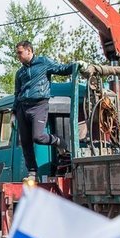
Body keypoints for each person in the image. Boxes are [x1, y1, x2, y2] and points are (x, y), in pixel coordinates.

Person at [12, 40, 77, 182]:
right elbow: (17, 93)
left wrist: (76, 66)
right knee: (25, 141)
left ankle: (58, 141)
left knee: (38, 137)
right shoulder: (20, 73)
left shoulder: (43, 62)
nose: (18, 56)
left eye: (20, 53)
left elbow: (61, 69)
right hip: (22, 107)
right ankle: (32, 172)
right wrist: (14, 112)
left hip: (39, 105)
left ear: (29, 51)